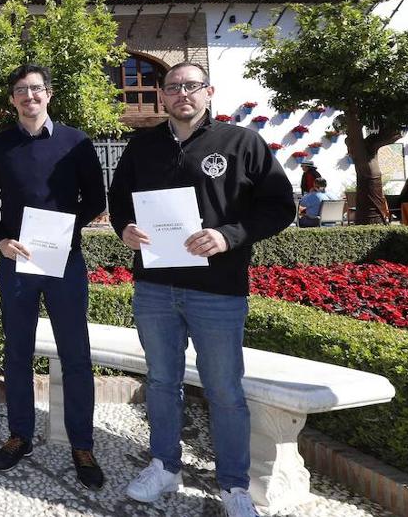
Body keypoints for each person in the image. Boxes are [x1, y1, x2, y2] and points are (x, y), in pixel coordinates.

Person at [108, 61, 294, 517]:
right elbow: (119, 201)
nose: (181, 94)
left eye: (190, 86)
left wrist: (228, 236)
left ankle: (233, 485)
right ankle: (164, 465)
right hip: (154, 287)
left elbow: (279, 207)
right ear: (163, 96)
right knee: (160, 381)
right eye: (172, 87)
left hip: (218, 289)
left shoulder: (241, 143)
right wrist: (124, 229)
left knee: (224, 390)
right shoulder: (142, 146)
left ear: (209, 92)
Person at [0, 64, 107, 489]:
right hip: (17, 261)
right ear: (12, 99)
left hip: (65, 261)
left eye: (35, 89)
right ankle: (19, 435)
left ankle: (82, 444)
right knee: (16, 351)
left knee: (75, 354)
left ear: (48, 94)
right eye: (20, 90)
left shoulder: (76, 141)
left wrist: (66, 230)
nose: (29, 96)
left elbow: (97, 198)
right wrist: (0, 240)